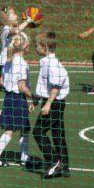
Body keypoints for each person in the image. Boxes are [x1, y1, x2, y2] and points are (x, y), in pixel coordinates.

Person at [0, 32, 33, 167]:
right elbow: (22, 87)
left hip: (9, 97)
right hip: (17, 98)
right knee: (11, 130)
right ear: (25, 46)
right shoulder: (22, 63)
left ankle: (25, 157)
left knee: (25, 127)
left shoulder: (8, 61)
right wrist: (34, 97)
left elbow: (2, 82)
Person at [32, 31, 70, 179]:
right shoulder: (46, 62)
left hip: (54, 103)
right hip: (53, 102)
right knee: (58, 134)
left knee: (38, 132)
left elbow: (55, 87)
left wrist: (47, 104)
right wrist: (36, 101)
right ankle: (64, 166)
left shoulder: (52, 65)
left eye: (37, 45)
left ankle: (54, 162)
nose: (35, 48)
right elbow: (45, 86)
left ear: (44, 47)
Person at [0, 7, 32, 92]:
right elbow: (16, 31)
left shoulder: (13, 29)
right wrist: (27, 21)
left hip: (8, 61)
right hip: (4, 62)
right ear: (7, 18)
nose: (16, 15)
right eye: (14, 14)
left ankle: (1, 83)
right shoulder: (6, 28)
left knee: (9, 86)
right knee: (10, 86)